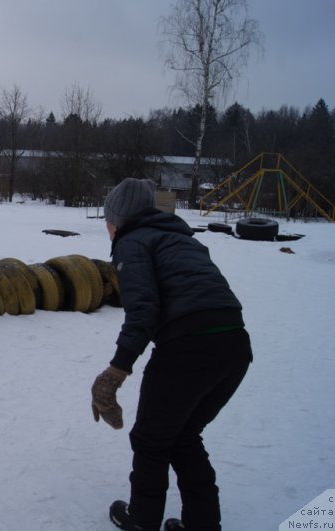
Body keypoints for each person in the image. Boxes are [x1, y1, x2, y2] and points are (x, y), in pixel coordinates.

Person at [92, 177, 252, 531]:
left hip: (188, 348)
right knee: (182, 436)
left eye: (108, 219)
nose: (107, 227)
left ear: (119, 219)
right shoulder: (182, 238)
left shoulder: (131, 242)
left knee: (151, 440)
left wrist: (115, 371)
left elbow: (143, 312)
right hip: (235, 346)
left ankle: (142, 522)